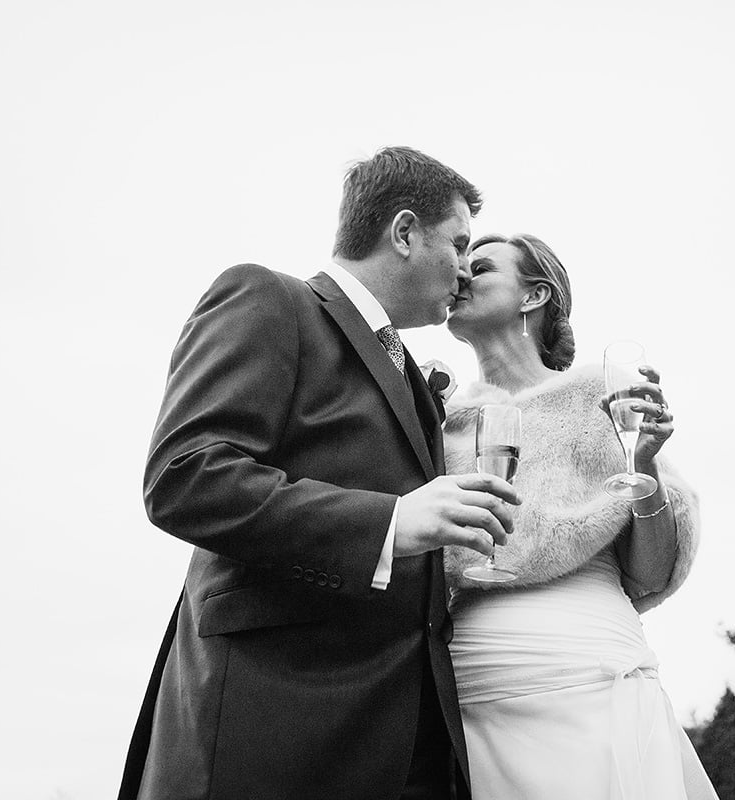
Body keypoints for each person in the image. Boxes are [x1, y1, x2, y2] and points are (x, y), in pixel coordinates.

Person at [118, 147, 520, 800]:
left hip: (406, 746)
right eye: (459, 243)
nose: (464, 274)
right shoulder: (268, 299)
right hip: (274, 728)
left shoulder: (418, 385)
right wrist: (388, 522)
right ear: (405, 232)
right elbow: (185, 476)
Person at [441, 233, 719, 799]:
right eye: (457, 263)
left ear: (533, 296)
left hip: (587, 673)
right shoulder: (441, 422)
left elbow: (649, 572)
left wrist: (642, 466)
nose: (459, 275)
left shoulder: (602, 396)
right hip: (471, 690)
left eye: (482, 266)